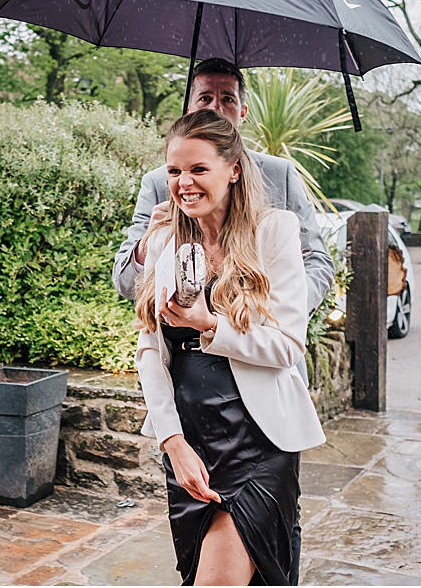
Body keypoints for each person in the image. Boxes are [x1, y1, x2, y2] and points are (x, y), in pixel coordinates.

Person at [135, 108, 325, 587]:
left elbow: (287, 346)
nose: (183, 183)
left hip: (258, 442)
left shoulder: (274, 231)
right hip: (191, 444)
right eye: (175, 171)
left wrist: (209, 325)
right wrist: (172, 442)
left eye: (199, 169)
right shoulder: (164, 239)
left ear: (234, 170)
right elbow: (150, 354)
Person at [114, 59, 336, 318]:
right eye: (205, 97)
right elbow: (126, 283)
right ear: (189, 110)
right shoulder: (160, 183)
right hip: (182, 352)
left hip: (262, 348)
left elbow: (317, 261)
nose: (216, 107)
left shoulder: (279, 175)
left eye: (228, 99)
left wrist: (279, 315)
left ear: (242, 112)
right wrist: (146, 245)